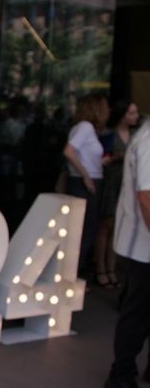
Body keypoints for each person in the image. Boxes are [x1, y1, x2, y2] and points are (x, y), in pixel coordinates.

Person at [104, 118, 150, 388]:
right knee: (137, 312)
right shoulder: (149, 139)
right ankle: (121, 374)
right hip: (142, 245)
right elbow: (146, 198)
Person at [63, 93, 110, 276]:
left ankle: (71, 273)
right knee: (85, 230)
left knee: (80, 230)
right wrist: (86, 175)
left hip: (82, 180)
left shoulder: (81, 127)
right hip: (85, 183)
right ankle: (73, 274)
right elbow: (69, 151)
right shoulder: (86, 127)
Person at [95, 100, 140, 287]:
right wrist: (115, 157)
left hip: (128, 183)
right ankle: (100, 268)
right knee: (105, 225)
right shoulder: (109, 135)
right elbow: (100, 158)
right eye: (131, 113)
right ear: (123, 116)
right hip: (112, 181)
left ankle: (111, 268)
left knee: (116, 228)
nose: (135, 116)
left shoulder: (137, 135)